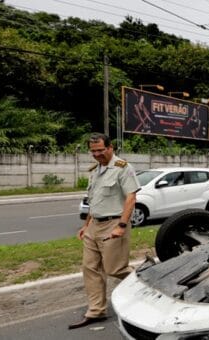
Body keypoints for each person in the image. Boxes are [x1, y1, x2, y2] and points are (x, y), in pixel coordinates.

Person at [69, 133, 140, 330]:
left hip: (114, 223)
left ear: (110, 148)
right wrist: (86, 225)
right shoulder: (95, 170)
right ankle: (96, 311)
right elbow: (95, 201)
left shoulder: (123, 168)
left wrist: (122, 226)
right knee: (90, 268)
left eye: (100, 150)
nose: (97, 154)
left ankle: (145, 284)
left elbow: (131, 198)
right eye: (93, 151)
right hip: (94, 225)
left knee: (114, 269)